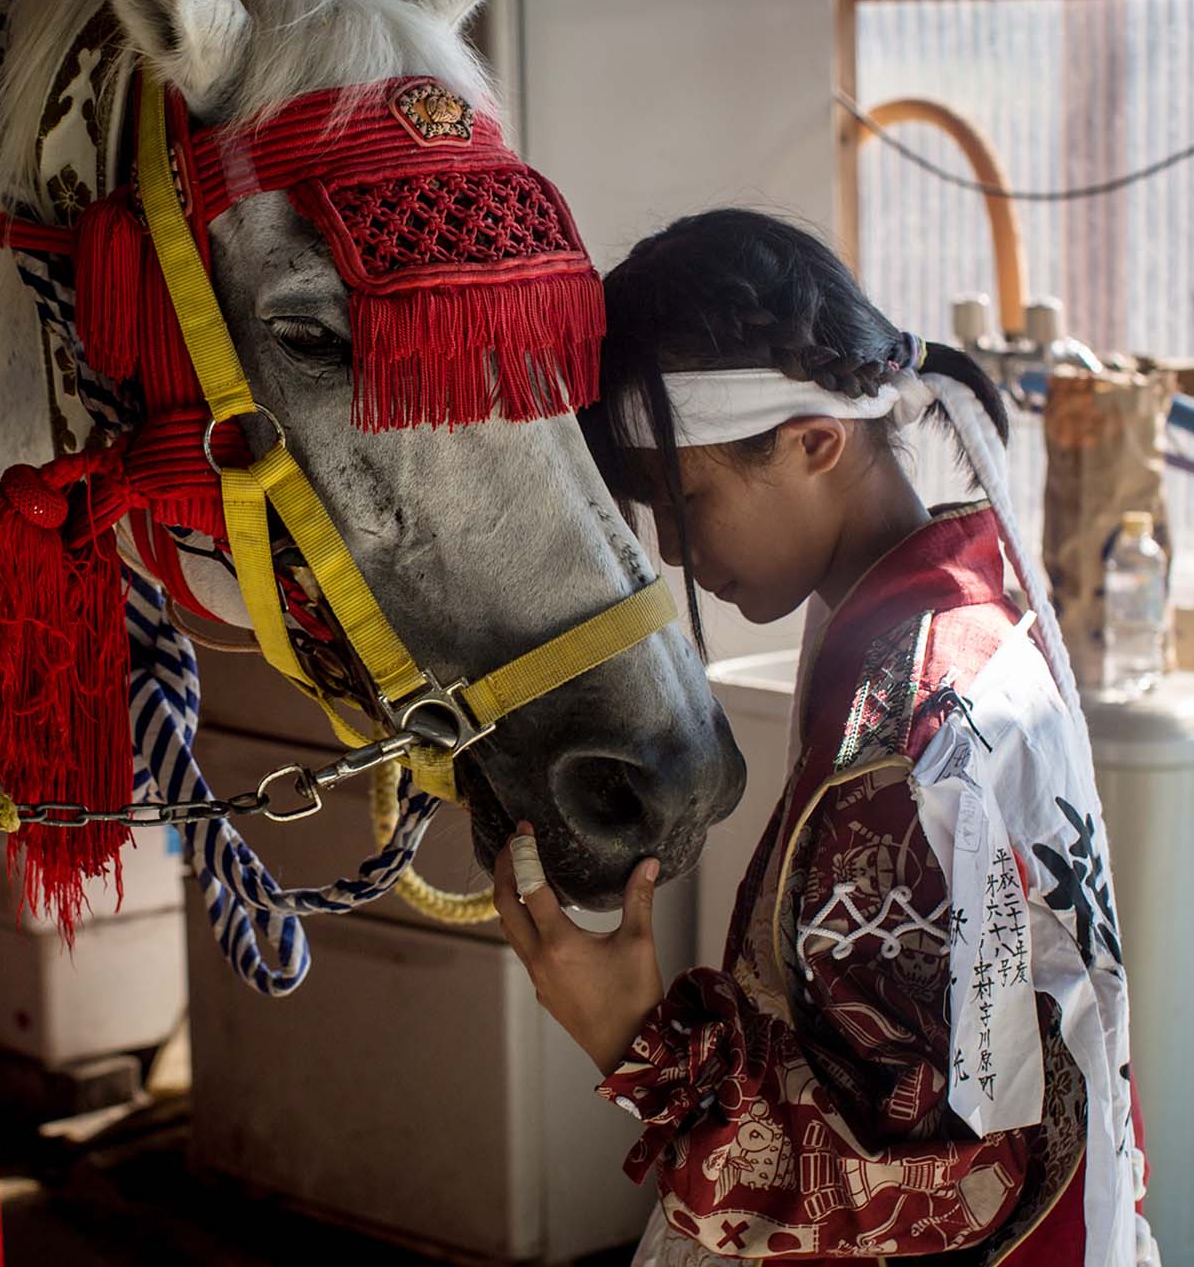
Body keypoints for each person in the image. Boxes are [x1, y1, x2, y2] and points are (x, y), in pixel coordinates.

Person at [494, 210, 1154, 1265]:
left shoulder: (908, 733)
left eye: (685, 499)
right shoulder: (962, 615)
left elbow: (958, 1179)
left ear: (814, 442)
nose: (671, 547)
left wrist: (639, 1044)